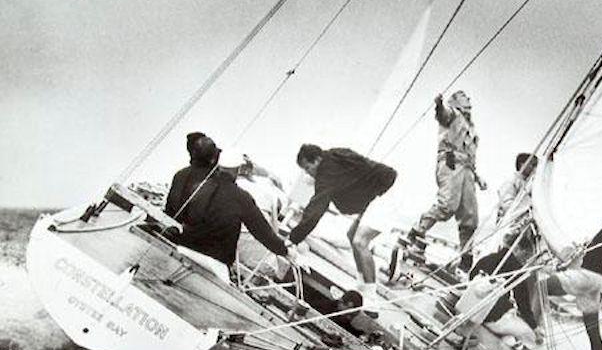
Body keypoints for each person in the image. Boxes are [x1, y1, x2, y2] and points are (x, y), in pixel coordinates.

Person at [288, 144, 397, 298]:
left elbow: (317, 207)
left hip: (386, 191)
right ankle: (362, 285)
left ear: (317, 160)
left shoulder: (327, 170)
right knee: (352, 235)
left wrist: (294, 238)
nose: (309, 174)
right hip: (380, 190)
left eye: (308, 168)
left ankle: (371, 297)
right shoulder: (334, 155)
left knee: (360, 242)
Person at [165, 146, 289, 277]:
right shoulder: (242, 198)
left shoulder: (200, 186)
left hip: (184, 249)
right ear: (238, 169)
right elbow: (263, 233)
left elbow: (177, 213)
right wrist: (285, 251)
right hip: (214, 264)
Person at [403, 91, 487, 273]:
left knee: (470, 217)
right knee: (447, 205)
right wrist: (439, 104)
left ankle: (466, 257)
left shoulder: (471, 128)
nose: (469, 100)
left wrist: (478, 177)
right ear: (456, 102)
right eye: (465, 97)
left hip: (466, 170)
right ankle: (416, 231)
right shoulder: (453, 115)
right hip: (450, 163)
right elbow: (443, 114)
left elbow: (471, 155)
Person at [470, 153, 541, 339]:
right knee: (510, 271)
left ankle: (520, 314)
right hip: (511, 232)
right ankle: (523, 318)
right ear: (520, 164)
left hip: (522, 237)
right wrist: (526, 214)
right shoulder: (512, 183)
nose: (534, 167)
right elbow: (509, 205)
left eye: (536, 164)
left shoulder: (531, 186)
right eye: (531, 163)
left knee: (517, 274)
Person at [534, 224, 602, 350]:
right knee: (593, 330)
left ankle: (535, 333)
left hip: (584, 277)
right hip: (596, 280)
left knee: (538, 287)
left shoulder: (595, 224)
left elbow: (571, 254)